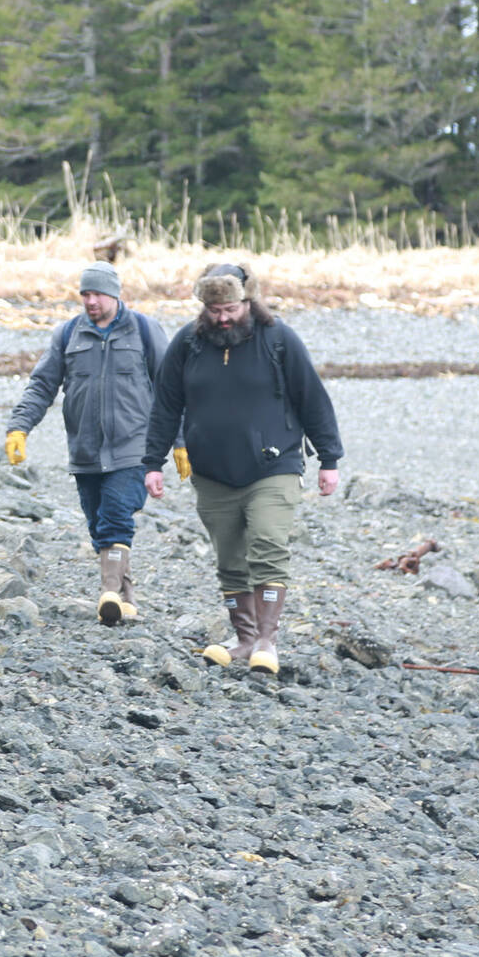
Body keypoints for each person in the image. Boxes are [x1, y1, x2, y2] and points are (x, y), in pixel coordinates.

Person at [141, 262, 342, 675]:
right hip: (213, 471)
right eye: (214, 309)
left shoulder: (278, 339)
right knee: (230, 560)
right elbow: (165, 406)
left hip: (274, 465)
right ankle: (245, 638)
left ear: (248, 301)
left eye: (230, 308)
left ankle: (267, 640)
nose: (222, 317)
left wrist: (329, 459)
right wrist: (153, 462)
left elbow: (312, 398)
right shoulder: (188, 343)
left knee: (268, 544)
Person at [4, 261, 173, 626]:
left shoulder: (144, 330)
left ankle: (107, 593)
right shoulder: (68, 334)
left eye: (97, 294)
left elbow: (172, 388)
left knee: (115, 515)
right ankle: (125, 599)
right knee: (98, 525)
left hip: (134, 447)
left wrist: (182, 441)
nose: (91, 301)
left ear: (115, 294)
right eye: (85, 294)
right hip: (85, 450)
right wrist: (19, 428)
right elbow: (42, 386)